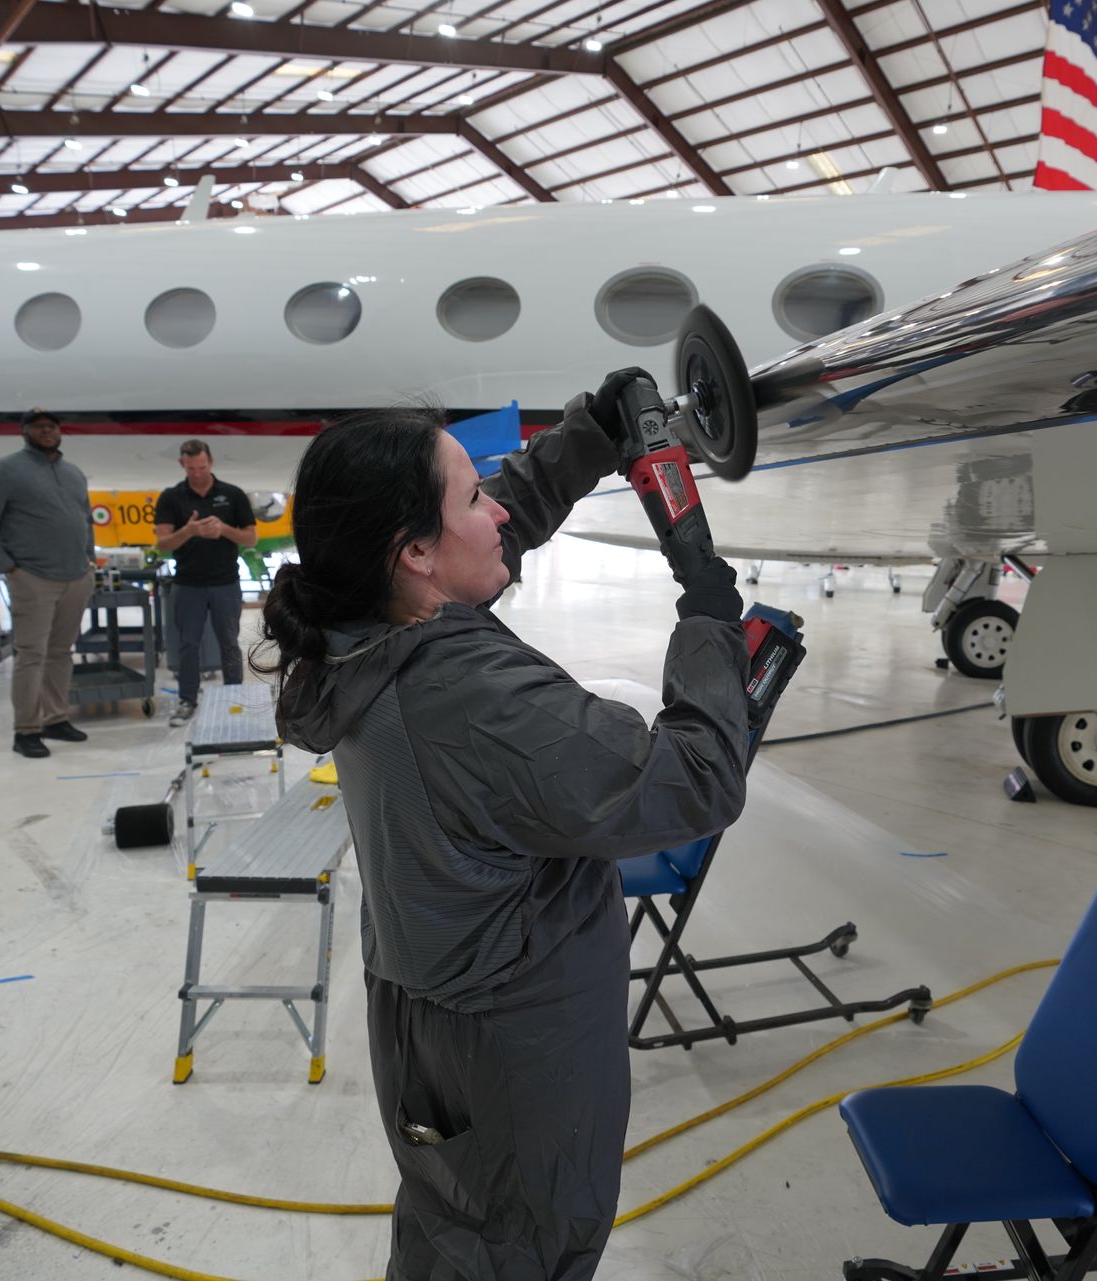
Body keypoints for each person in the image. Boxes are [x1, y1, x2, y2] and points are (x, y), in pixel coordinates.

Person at [260, 372, 750, 1281]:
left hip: (429, 1019)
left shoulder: (364, 628)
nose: (494, 511)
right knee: (523, 1249)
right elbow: (693, 780)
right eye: (473, 494)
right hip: (519, 1039)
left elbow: (493, 533)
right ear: (412, 550)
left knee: (454, 1229)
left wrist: (590, 436)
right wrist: (710, 622)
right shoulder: (472, 696)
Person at [0, 408, 95, 759]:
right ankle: (26, 729)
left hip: (75, 577)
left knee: (60, 654)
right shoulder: (2, 471)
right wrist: (9, 567)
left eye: (52, 426)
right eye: (38, 427)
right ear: (25, 431)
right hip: (33, 578)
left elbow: (85, 518)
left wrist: (90, 559)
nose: (46, 431)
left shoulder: (73, 473)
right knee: (31, 656)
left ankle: (55, 718)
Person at [153, 439, 258, 726]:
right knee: (188, 645)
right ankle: (188, 700)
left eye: (201, 467)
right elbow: (162, 544)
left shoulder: (232, 495)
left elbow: (251, 538)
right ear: (182, 465)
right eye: (191, 468)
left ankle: (233, 697)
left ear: (210, 462)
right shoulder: (171, 497)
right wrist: (188, 531)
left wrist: (223, 529)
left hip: (225, 582)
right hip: (188, 584)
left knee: (229, 643)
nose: (197, 473)